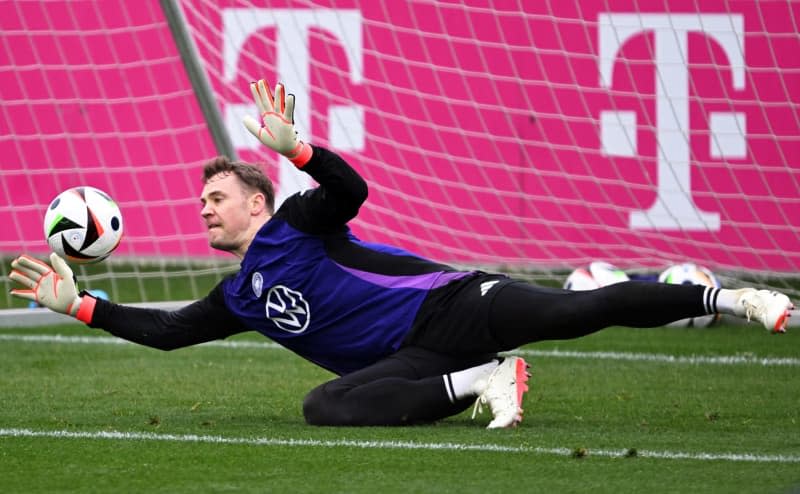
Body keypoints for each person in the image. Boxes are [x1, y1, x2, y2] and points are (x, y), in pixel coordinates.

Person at [8, 80, 794, 429]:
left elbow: (351, 191)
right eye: (202, 202)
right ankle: (487, 378)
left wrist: (303, 149)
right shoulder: (239, 294)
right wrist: (79, 305)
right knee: (326, 406)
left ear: (256, 201)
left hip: (453, 301)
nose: (203, 209)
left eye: (216, 198)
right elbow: (169, 331)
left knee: (580, 309)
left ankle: (733, 299)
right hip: (418, 356)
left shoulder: (298, 223)